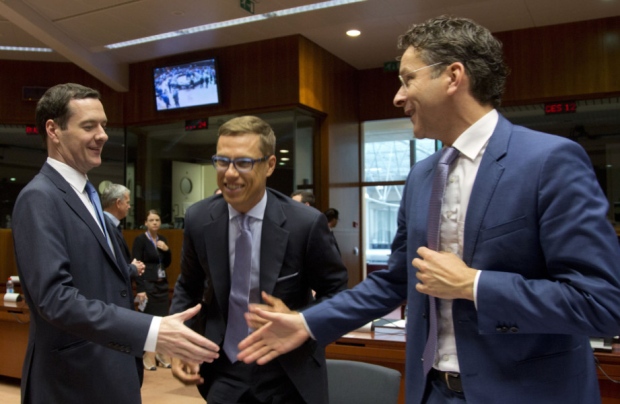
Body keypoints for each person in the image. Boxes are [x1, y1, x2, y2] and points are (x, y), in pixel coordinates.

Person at [238, 16, 620, 404]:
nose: (397, 97)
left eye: (407, 79)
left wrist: (473, 285)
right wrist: (306, 322)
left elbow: (602, 302)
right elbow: (396, 281)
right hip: (431, 392)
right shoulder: (422, 176)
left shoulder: (548, 161)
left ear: (453, 76)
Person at [11, 83, 219, 404]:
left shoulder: (88, 195)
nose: (103, 135)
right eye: (89, 126)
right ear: (53, 130)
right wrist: (149, 330)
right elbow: (55, 299)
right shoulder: (40, 198)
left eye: (104, 125)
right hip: (72, 382)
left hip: (112, 373)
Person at [169, 115, 348, 404]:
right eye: (222, 161)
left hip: (287, 370)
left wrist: (302, 320)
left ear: (270, 165)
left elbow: (337, 293)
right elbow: (188, 287)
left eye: (243, 162)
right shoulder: (199, 218)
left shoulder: (305, 224)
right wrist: (182, 342)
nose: (229, 173)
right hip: (224, 367)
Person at [132, 209, 172, 370]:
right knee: (149, 323)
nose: (155, 222)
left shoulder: (162, 239)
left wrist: (166, 250)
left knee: (162, 321)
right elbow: (136, 264)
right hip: (148, 285)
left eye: (157, 220)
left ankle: (160, 354)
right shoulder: (140, 240)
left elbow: (167, 263)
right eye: (151, 220)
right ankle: (147, 356)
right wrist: (140, 288)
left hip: (162, 285)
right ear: (146, 223)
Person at [101, 183, 145, 278]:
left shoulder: (111, 224)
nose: (129, 206)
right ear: (118, 203)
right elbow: (111, 267)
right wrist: (133, 268)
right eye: (127, 202)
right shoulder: (105, 227)